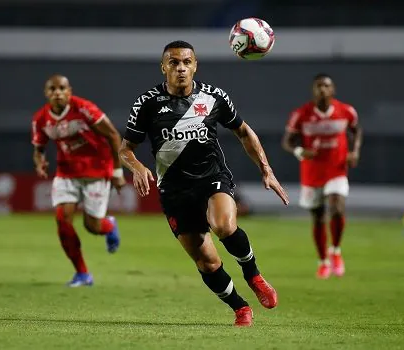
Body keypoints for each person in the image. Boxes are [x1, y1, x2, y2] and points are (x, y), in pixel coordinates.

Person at [119, 41, 289, 327]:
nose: (181, 68)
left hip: (212, 178)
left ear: (195, 65)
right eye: (173, 63)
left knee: (223, 225)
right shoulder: (146, 104)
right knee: (207, 262)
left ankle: (253, 275)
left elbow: (244, 132)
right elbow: (125, 149)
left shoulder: (214, 97)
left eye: (187, 61)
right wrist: (136, 166)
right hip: (174, 191)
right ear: (163, 68)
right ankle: (240, 307)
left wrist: (266, 169)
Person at [32, 75, 125, 287]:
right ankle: (82, 274)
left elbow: (112, 135)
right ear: (46, 94)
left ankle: (108, 225)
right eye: (52, 89)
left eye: (62, 88)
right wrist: (39, 162)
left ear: (69, 91)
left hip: (96, 171)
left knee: (92, 226)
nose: (57, 92)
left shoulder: (84, 109)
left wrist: (117, 172)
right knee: (62, 220)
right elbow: (38, 149)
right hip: (66, 173)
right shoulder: (40, 119)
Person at [281, 73, 362, 279]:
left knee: (336, 207)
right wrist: (300, 151)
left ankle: (335, 251)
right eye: (319, 86)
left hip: (337, 169)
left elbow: (356, 130)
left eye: (327, 86)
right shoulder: (301, 114)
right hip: (312, 172)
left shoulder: (346, 111)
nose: (323, 89)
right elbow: (287, 141)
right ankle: (323, 260)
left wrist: (355, 151)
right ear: (313, 90)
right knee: (317, 217)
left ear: (333, 90)